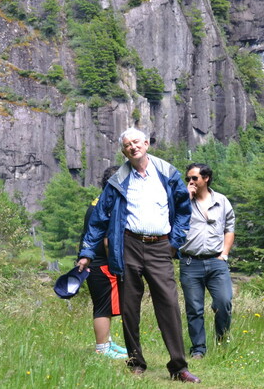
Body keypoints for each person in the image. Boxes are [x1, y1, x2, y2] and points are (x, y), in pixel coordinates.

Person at [78, 128, 201, 384]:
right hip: (128, 245)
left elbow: (182, 209)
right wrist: (87, 252)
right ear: (124, 151)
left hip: (161, 247)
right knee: (129, 308)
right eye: (127, 145)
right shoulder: (117, 181)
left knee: (168, 304)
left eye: (136, 142)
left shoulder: (167, 173)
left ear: (146, 143)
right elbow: (99, 218)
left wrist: (174, 243)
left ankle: (179, 367)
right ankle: (136, 362)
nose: (133, 147)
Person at [178, 163, 235, 360]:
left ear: (206, 178)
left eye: (194, 178)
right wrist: (186, 198)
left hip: (216, 262)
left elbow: (230, 227)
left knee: (224, 302)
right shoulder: (183, 200)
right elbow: (172, 219)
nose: (190, 182)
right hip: (189, 262)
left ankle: (222, 340)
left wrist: (224, 253)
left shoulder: (221, 201)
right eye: (188, 179)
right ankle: (198, 349)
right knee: (194, 308)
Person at [79, 165, 127, 359]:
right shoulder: (106, 206)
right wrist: (117, 265)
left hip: (95, 262)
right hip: (101, 263)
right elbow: (107, 240)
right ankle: (102, 348)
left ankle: (107, 342)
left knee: (104, 305)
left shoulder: (97, 201)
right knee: (103, 307)